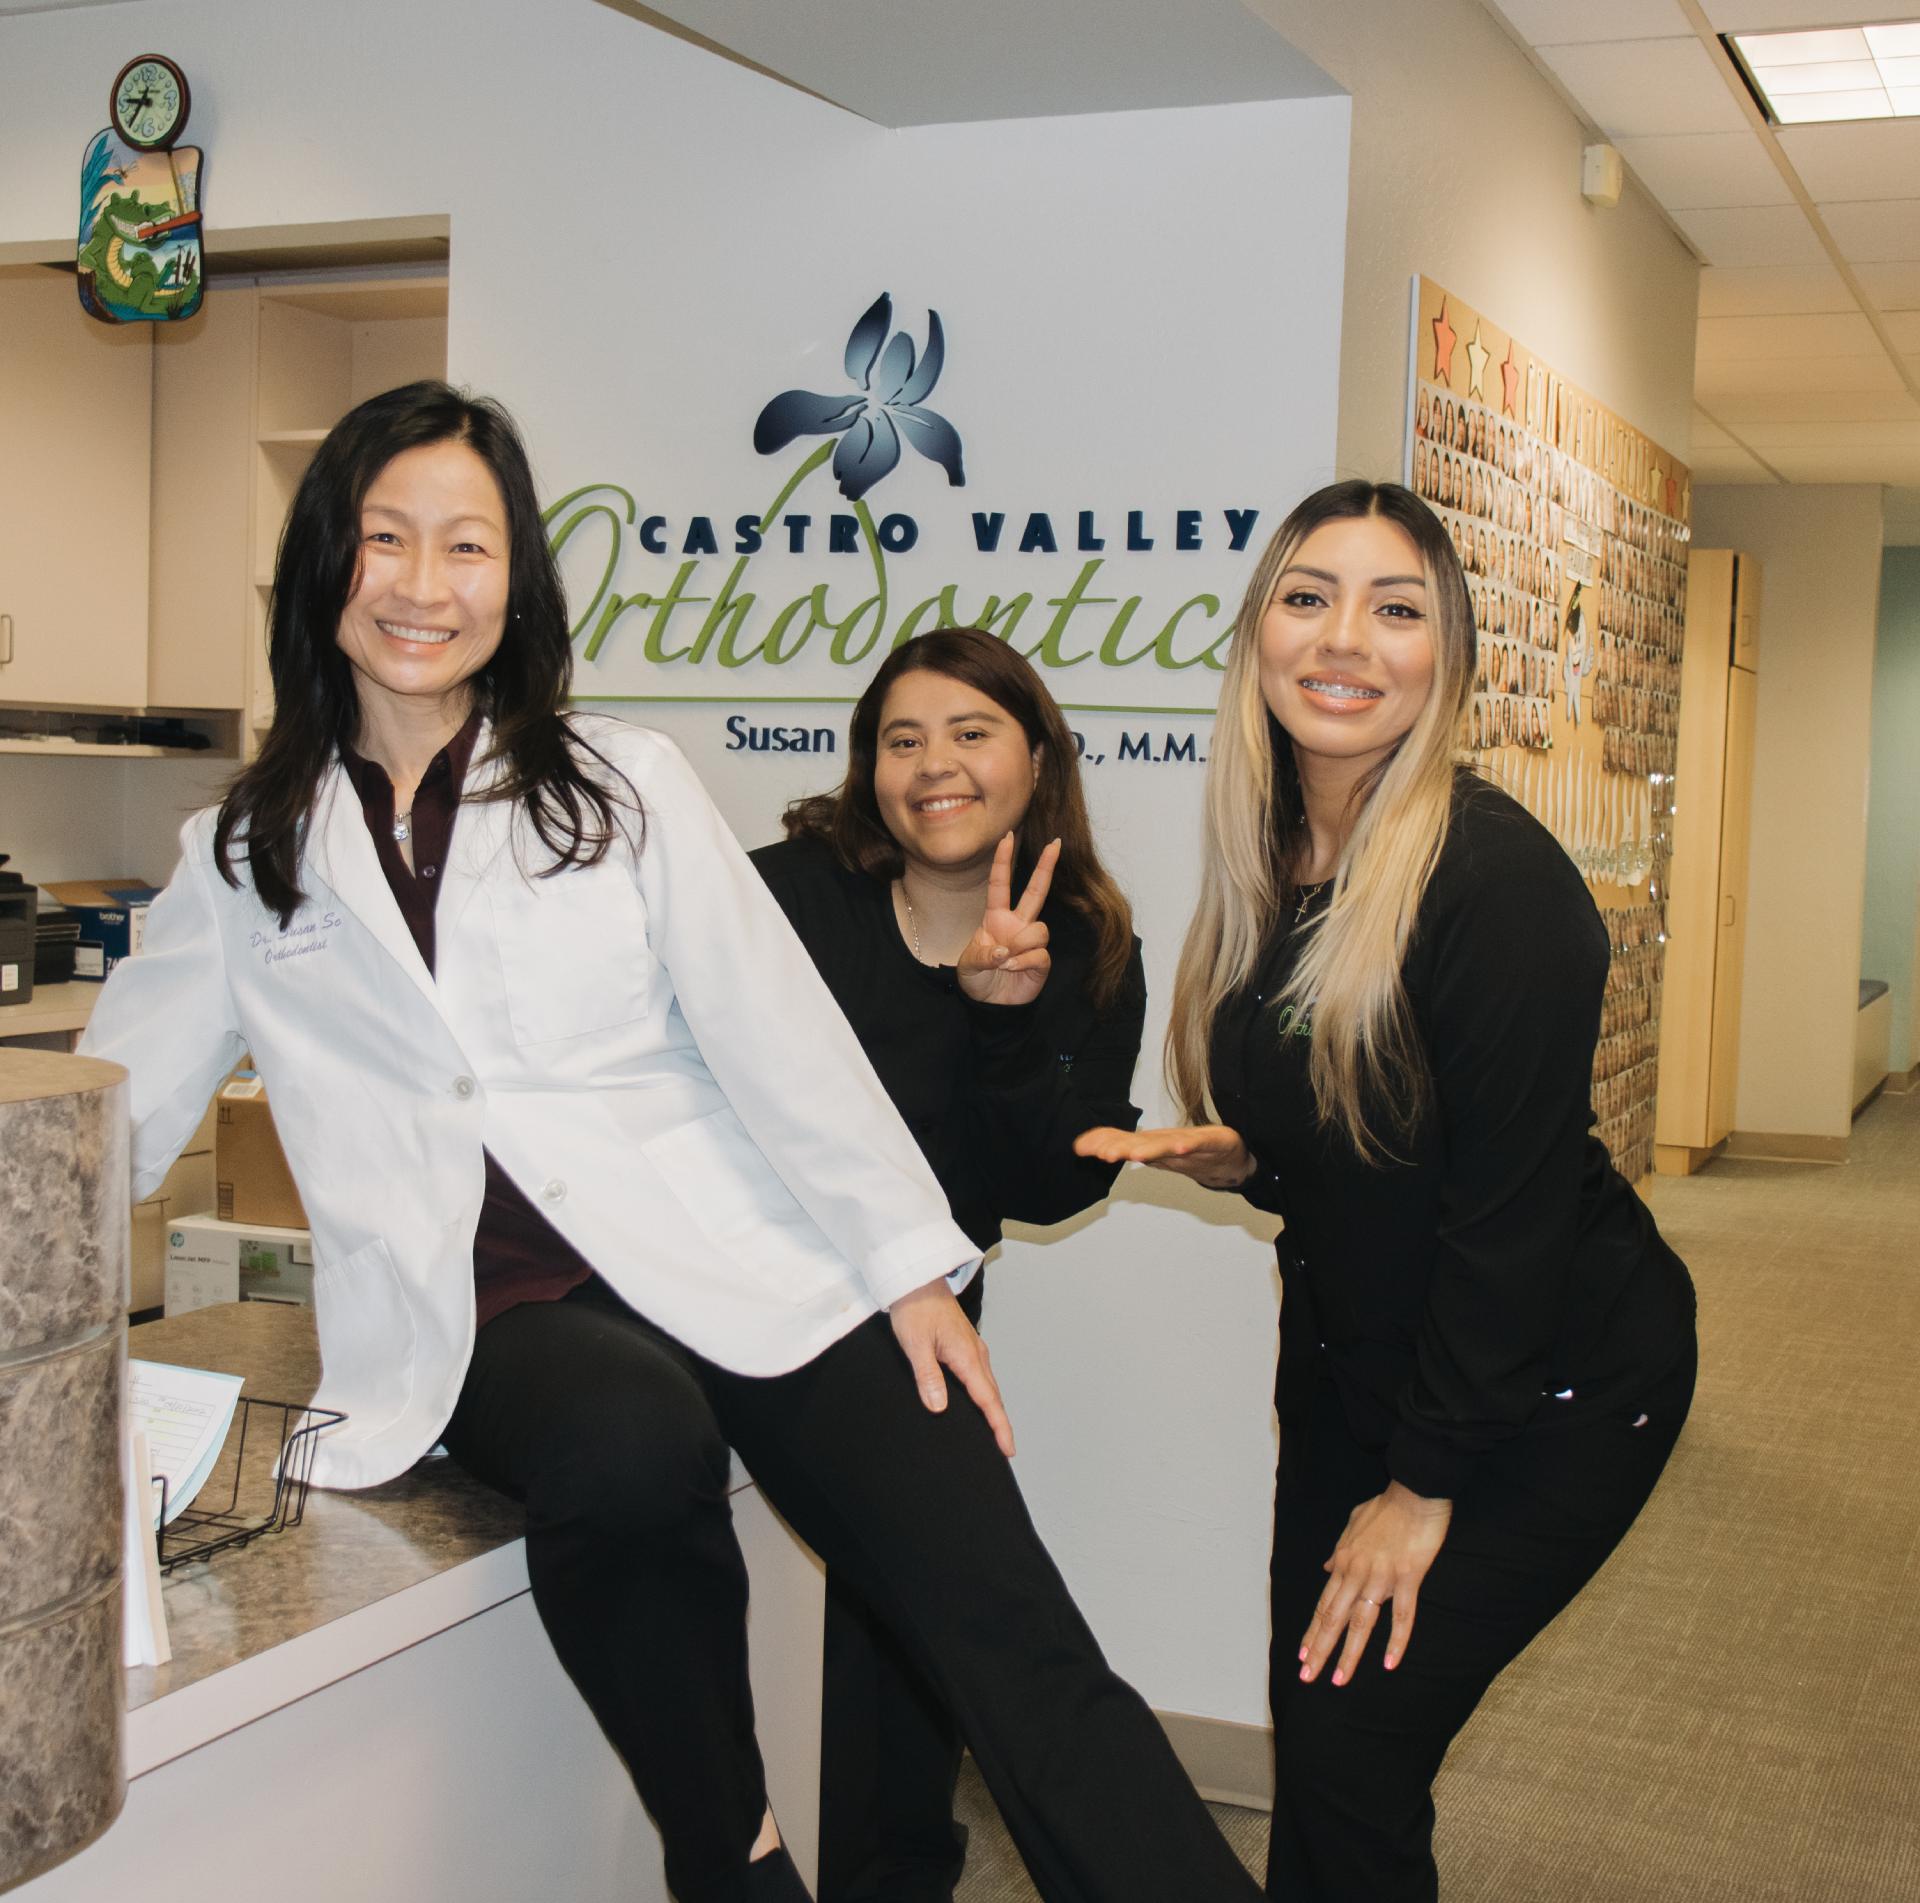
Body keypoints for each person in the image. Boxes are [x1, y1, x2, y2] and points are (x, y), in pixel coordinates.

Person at [81, 381, 1262, 1903]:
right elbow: (111, 1109)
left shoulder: (619, 782)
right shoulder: (244, 848)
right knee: (632, 1447)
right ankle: (738, 1855)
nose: (425, 586)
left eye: (468, 546)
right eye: (386, 540)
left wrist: (908, 1266)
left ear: (518, 582)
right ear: (325, 565)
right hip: (497, 1306)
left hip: (746, 1253)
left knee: (1001, 1606)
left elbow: (778, 1037)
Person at [1077, 479, 1697, 1902]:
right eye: (1308, 595)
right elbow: (1369, 1118)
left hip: (1547, 1382)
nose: (1345, 636)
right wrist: (1253, 1152)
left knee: (1354, 1729)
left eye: (1396, 606)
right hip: (1361, 1362)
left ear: (1447, 659)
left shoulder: (1494, 884)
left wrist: (1424, 1485)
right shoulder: (1283, 859)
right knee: (1327, 1722)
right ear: (1258, 638)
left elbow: (1509, 1212)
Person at [751, 629, 1147, 1903]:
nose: (935, 766)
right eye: (902, 738)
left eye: (972, 733)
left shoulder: (1083, 942)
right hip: (746, 1290)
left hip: (925, 1309)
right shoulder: (787, 896)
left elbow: (1046, 1187)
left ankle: (896, 1868)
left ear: (1037, 757)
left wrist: (1004, 1024)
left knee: (914, 1608)